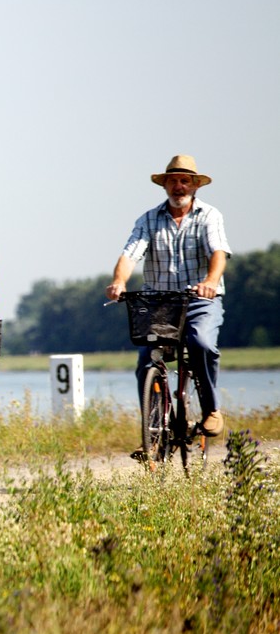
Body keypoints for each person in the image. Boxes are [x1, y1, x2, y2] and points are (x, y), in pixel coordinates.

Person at [105, 154, 231, 439]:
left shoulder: (209, 216)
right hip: (159, 304)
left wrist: (210, 282)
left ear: (195, 185)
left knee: (201, 343)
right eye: (173, 181)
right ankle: (152, 433)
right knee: (146, 360)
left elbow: (218, 253)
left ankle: (211, 409)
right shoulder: (148, 219)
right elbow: (130, 254)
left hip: (200, 300)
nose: (178, 186)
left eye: (184, 181)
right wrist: (119, 281)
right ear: (164, 185)